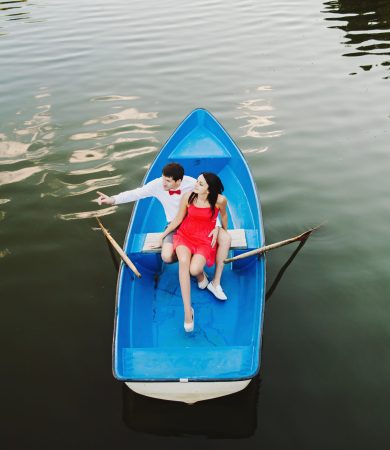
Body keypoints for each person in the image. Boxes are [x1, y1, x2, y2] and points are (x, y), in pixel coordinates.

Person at [96, 162, 230, 300]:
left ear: (179, 180)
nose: (163, 183)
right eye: (163, 179)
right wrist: (112, 200)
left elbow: (211, 204)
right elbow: (137, 193)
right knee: (166, 256)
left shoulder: (193, 184)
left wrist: (216, 226)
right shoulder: (157, 185)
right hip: (174, 224)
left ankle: (207, 275)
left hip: (199, 225)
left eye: (167, 181)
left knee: (224, 239)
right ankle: (191, 261)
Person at [157, 172, 228, 332]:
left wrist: (222, 231)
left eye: (201, 184)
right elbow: (178, 219)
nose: (196, 185)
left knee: (194, 269)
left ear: (209, 190)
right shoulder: (188, 196)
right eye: (197, 181)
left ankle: (202, 276)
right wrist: (163, 235)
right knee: (183, 262)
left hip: (204, 238)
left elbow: (223, 216)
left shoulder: (219, 201)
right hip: (185, 235)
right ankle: (188, 311)